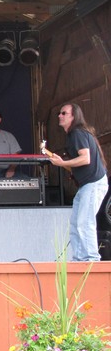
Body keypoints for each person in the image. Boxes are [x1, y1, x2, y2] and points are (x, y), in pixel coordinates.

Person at [49, 103, 108, 261]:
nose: (59, 116)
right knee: (75, 224)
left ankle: (91, 259)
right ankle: (80, 259)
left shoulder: (77, 133)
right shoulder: (75, 134)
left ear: (73, 116)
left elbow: (85, 158)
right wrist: (66, 164)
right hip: (87, 185)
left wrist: (62, 163)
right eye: (59, 113)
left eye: (64, 113)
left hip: (93, 184)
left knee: (84, 222)